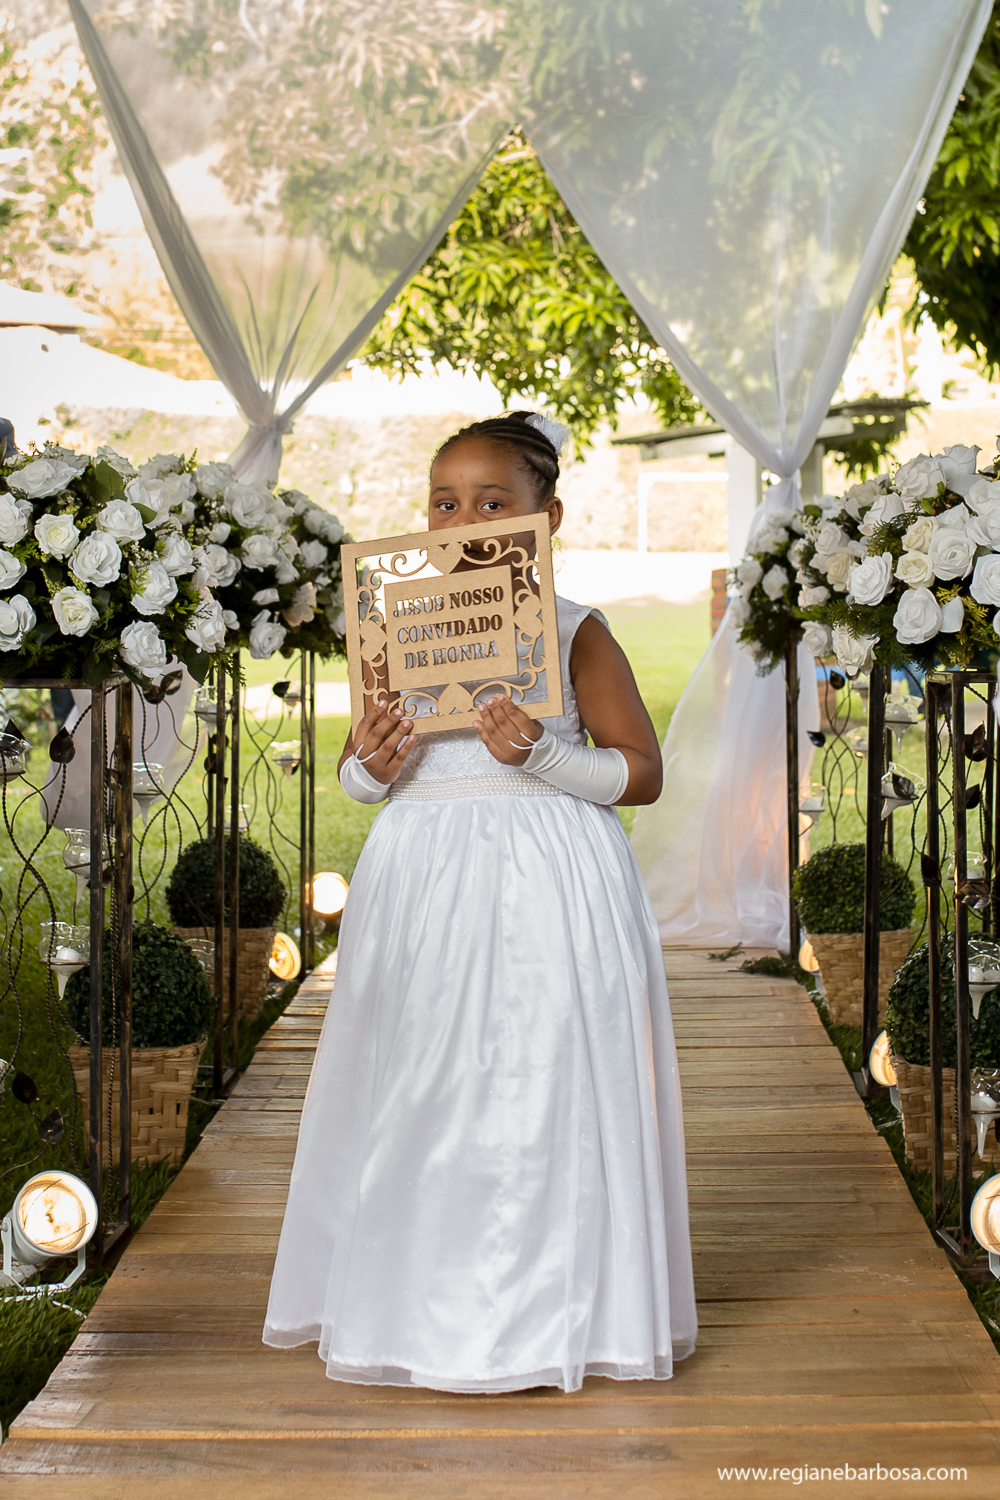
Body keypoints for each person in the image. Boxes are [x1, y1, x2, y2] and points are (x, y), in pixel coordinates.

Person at [263, 411, 696, 1392]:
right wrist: (372, 768)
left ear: (549, 517)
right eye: (445, 504)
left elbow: (641, 773)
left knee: (546, 1078)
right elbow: (360, 775)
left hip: (552, 876)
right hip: (422, 878)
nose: (464, 522)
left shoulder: (578, 631)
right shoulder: (393, 632)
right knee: (422, 1078)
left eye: (493, 504)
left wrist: (543, 755)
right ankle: (416, 1310)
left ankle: (559, 1316)